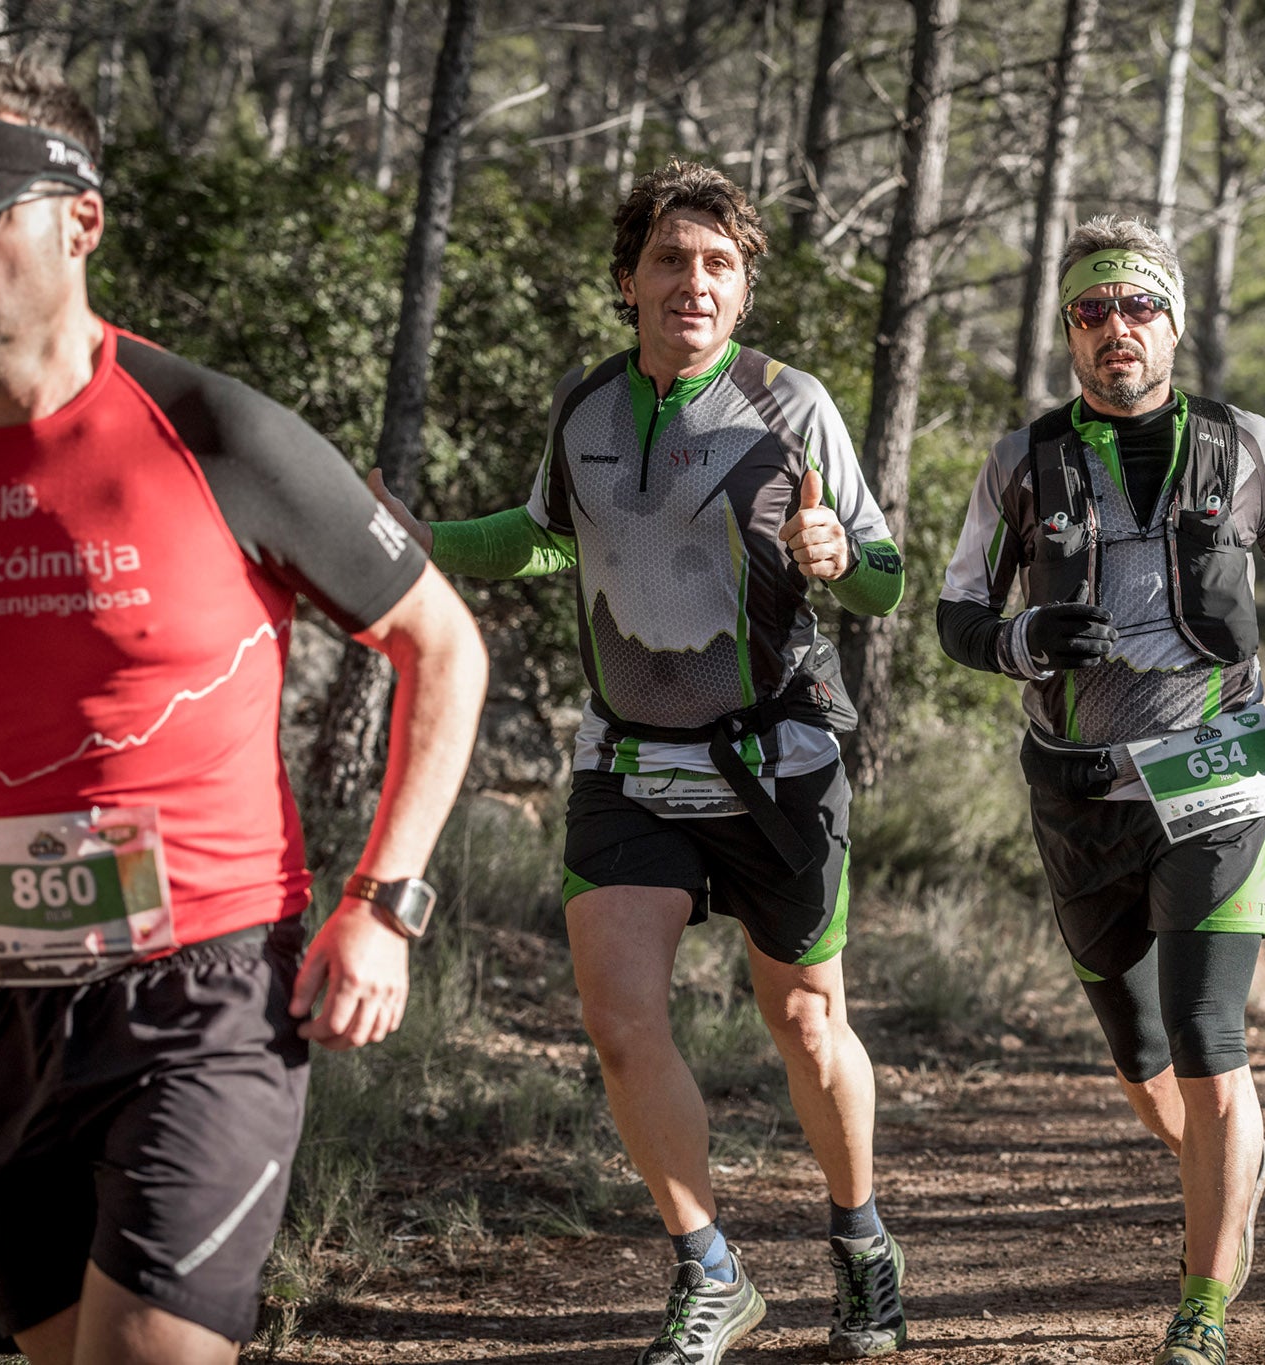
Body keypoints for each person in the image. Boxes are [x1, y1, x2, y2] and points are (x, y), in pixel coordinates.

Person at [0, 57, 487, 1365]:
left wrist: (384, 901)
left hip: (205, 998)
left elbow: (444, 643)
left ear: (79, 220)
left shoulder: (212, 432)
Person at [370, 161, 907, 1364]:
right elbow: (542, 539)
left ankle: (860, 1238)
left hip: (779, 756)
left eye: (718, 263)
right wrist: (417, 542)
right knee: (620, 1025)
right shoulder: (590, 410)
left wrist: (834, 553)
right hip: (629, 759)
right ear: (626, 282)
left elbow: (883, 576)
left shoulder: (791, 405)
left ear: (744, 287)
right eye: (669, 259)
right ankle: (709, 1269)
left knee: (808, 1021)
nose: (693, 282)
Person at [937, 215, 1265, 1365]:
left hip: (1213, 767)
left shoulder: (1244, 446)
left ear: (1172, 321)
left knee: (1203, 1034)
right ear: (1067, 332)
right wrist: (1025, 637)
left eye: (1136, 307)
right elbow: (955, 614)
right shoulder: (1020, 461)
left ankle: (1200, 1305)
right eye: (1091, 311)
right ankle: (1230, 1177)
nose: (1114, 330)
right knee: (1138, 1058)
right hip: (1078, 787)